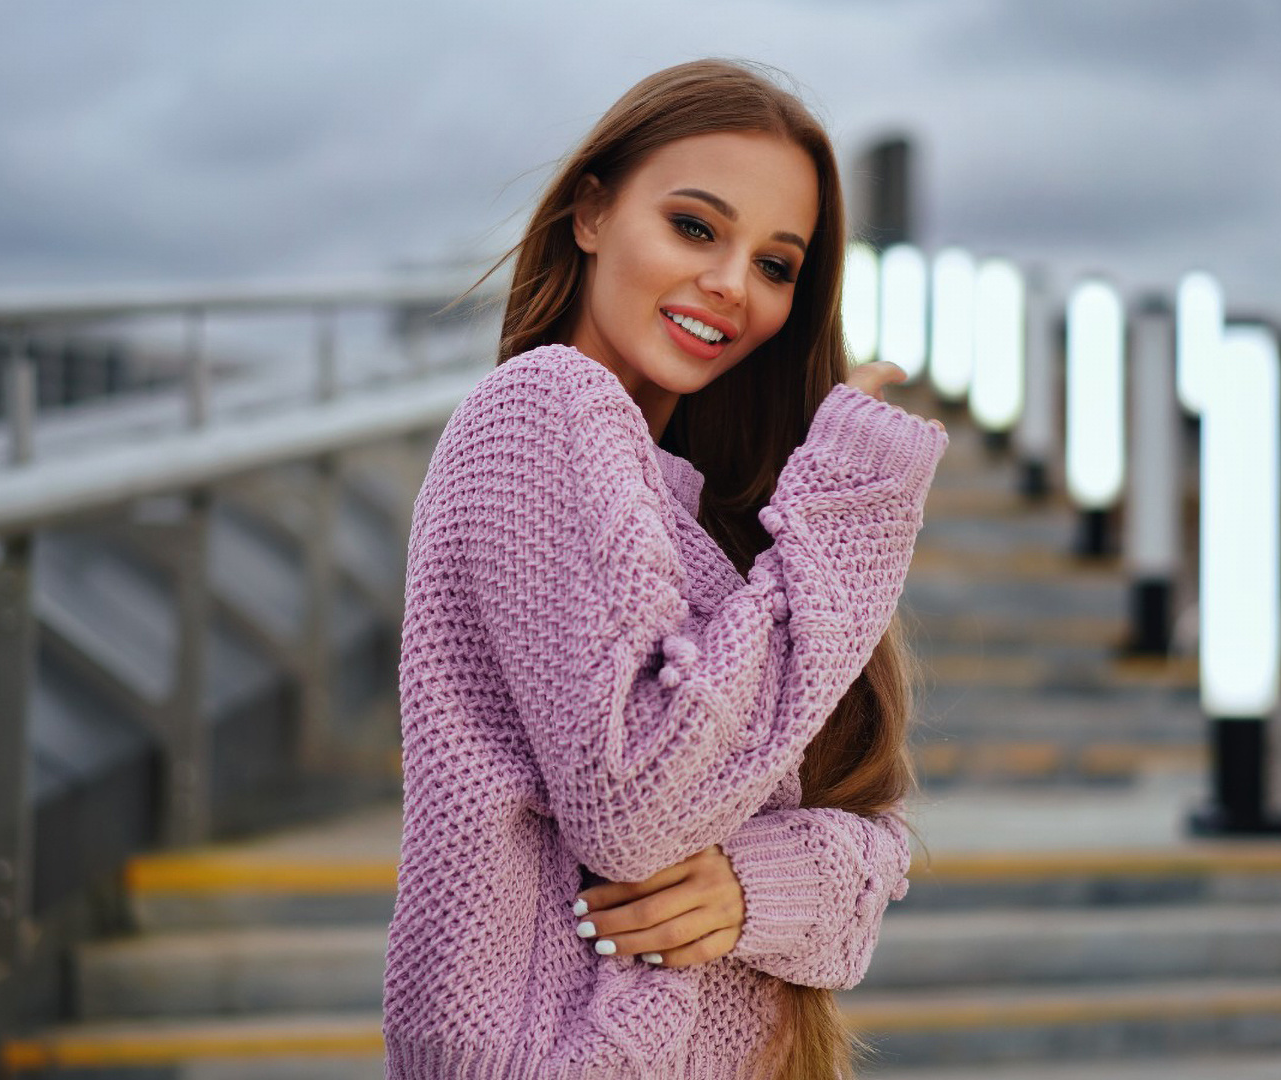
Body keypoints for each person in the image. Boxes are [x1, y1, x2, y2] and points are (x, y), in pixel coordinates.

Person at [383, 58, 948, 1079]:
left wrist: (757, 885)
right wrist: (845, 507)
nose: (733, 285)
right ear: (591, 212)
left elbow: (871, 837)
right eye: (696, 227)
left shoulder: (702, 509)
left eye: (777, 265)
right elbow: (637, 803)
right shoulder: (544, 407)